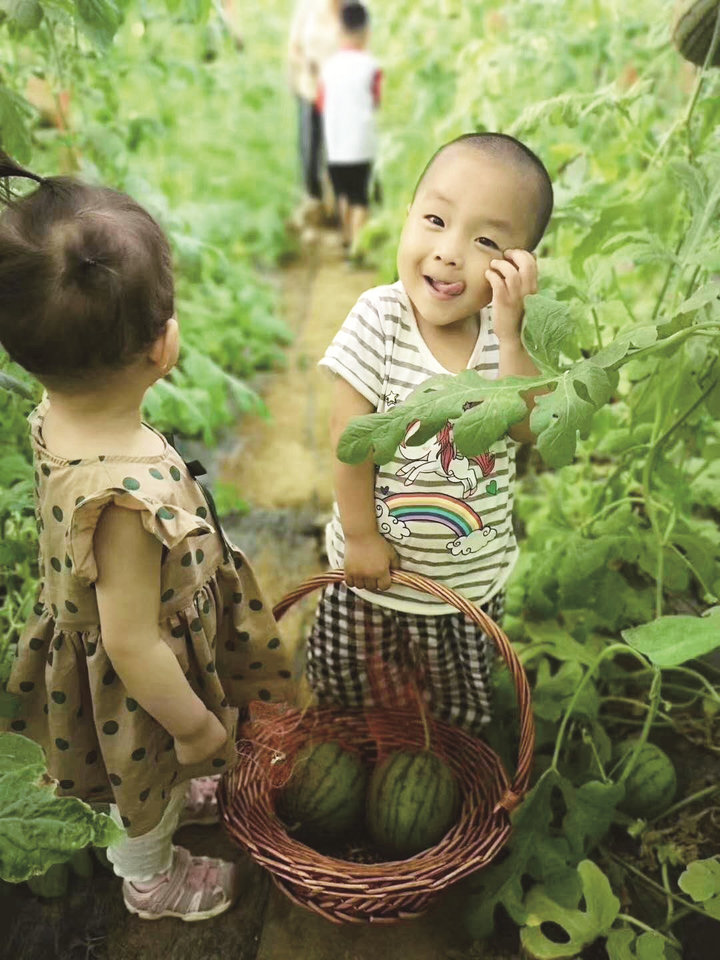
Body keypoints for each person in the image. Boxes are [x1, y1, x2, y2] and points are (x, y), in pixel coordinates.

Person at [0, 156, 297, 921]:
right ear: (162, 347)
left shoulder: (58, 404)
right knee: (141, 783)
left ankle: (168, 783)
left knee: (152, 767)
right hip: (136, 686)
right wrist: (196, 727)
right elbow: (133, 645)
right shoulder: (128, 507)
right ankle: (150, 877)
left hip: (123, 650)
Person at [307, 133, 553, 732]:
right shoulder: (379, 318)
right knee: (349, 688)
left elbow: (527, 427)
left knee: (445, 716)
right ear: (408, 215)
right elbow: (350, 437)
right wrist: (362, 537)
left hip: (462, 591)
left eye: (486, 241)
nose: (448, 253)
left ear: (517, 266)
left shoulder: (505, 337)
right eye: (436, 220)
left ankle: (436, 763)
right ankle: (354, 745)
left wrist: (515, 334)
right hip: (371, 574)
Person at [317, 1, 381, 255]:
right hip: (363, 144)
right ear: (367, 32)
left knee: (342, 194)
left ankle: (346, 239)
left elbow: (320, 103)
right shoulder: (372, 66)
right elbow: (377, 99)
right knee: (360, 198)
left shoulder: (328, 67)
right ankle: (357, 246)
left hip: (335, 144)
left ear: (340, 31)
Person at [287, 0, 343, 222]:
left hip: (340, 95)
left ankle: (337, 209)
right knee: (310, 150)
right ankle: (314, 201)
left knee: (337, 152)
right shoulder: (307, 7)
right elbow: (293, 49)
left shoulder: (353, 7)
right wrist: (307, 63)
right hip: (310, 88)